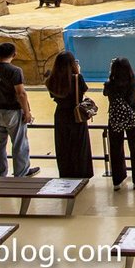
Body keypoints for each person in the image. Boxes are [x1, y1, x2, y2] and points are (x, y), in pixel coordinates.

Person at [0, 43, 40, 178]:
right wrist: (27, 112)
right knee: (19, 143)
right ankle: (21, 173)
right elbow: (21, 93)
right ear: (14, 55)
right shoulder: (15, 71)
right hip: (13, 111)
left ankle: (0, 173)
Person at [103, 57, 135, 191]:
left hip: (115, 118)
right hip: (132, 117)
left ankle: (118, 180)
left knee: (116, 147)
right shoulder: (133, 82)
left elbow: (105, 92)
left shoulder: (109, 84)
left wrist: (110, 78)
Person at [45, 51, 93, 179]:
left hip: (61, 114)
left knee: (63, 145)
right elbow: (82, 91)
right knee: (79, 144)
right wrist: (78, 74)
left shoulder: (51, 80)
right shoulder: (77, 78)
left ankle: (66, 172)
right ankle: (82, 172)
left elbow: (53, 95)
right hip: (76, 114)